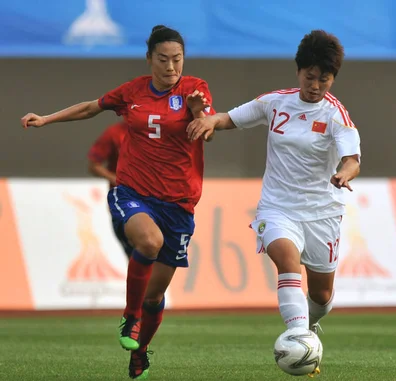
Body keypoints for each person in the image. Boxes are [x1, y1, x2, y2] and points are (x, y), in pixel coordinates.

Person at [21, 25, 214, 379]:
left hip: (180, 204)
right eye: (163, 59)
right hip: (133, 191)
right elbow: (90, 108)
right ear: (149, 59)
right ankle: (130, 316)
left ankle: (139, 352)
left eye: (178, 59)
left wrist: (199, 114)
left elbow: (207, 131)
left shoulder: (194, 90)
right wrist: (46, 119)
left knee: (155, 297)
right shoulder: (132, 92)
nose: (172, 67)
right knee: (148, 241)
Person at [187, 29, 361, 376]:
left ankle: (307, 326)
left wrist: (345, 173)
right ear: (298, 73)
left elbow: (352, 158)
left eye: (323, 79)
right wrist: (207, 119)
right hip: (277, 207)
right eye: (309, 77)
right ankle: (298, 336)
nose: (315, 85)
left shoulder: (336, 115)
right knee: (285, 257)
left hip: (322, 212)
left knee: (323, 295)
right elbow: (229, 119)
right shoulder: (275, 102)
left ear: (333, 78)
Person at [88, 120, 131, 257]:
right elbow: (94, 165)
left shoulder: (156, 132)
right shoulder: (114, 133)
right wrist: (118, 179)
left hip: (154, 198)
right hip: (124, 199)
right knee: (136, 251)